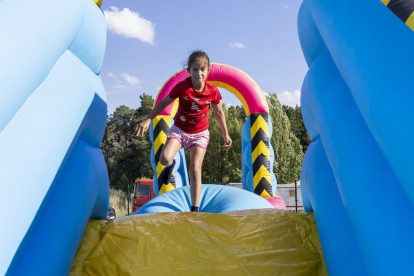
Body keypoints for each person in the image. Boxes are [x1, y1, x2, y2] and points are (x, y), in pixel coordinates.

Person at [134, 51, 232, 212]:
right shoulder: (182, 87)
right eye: (195, 69)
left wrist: (225, 134)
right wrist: (148, 119)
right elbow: (163, 102)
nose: (199, 73)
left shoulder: (212, 91)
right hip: (180, 129)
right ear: (188, 70)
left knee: (194, 168)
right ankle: (170, 165)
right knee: (164, 159)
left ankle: (194, 209)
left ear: (208, 70)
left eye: (202, 69)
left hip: (200, 134)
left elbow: (219, 112)